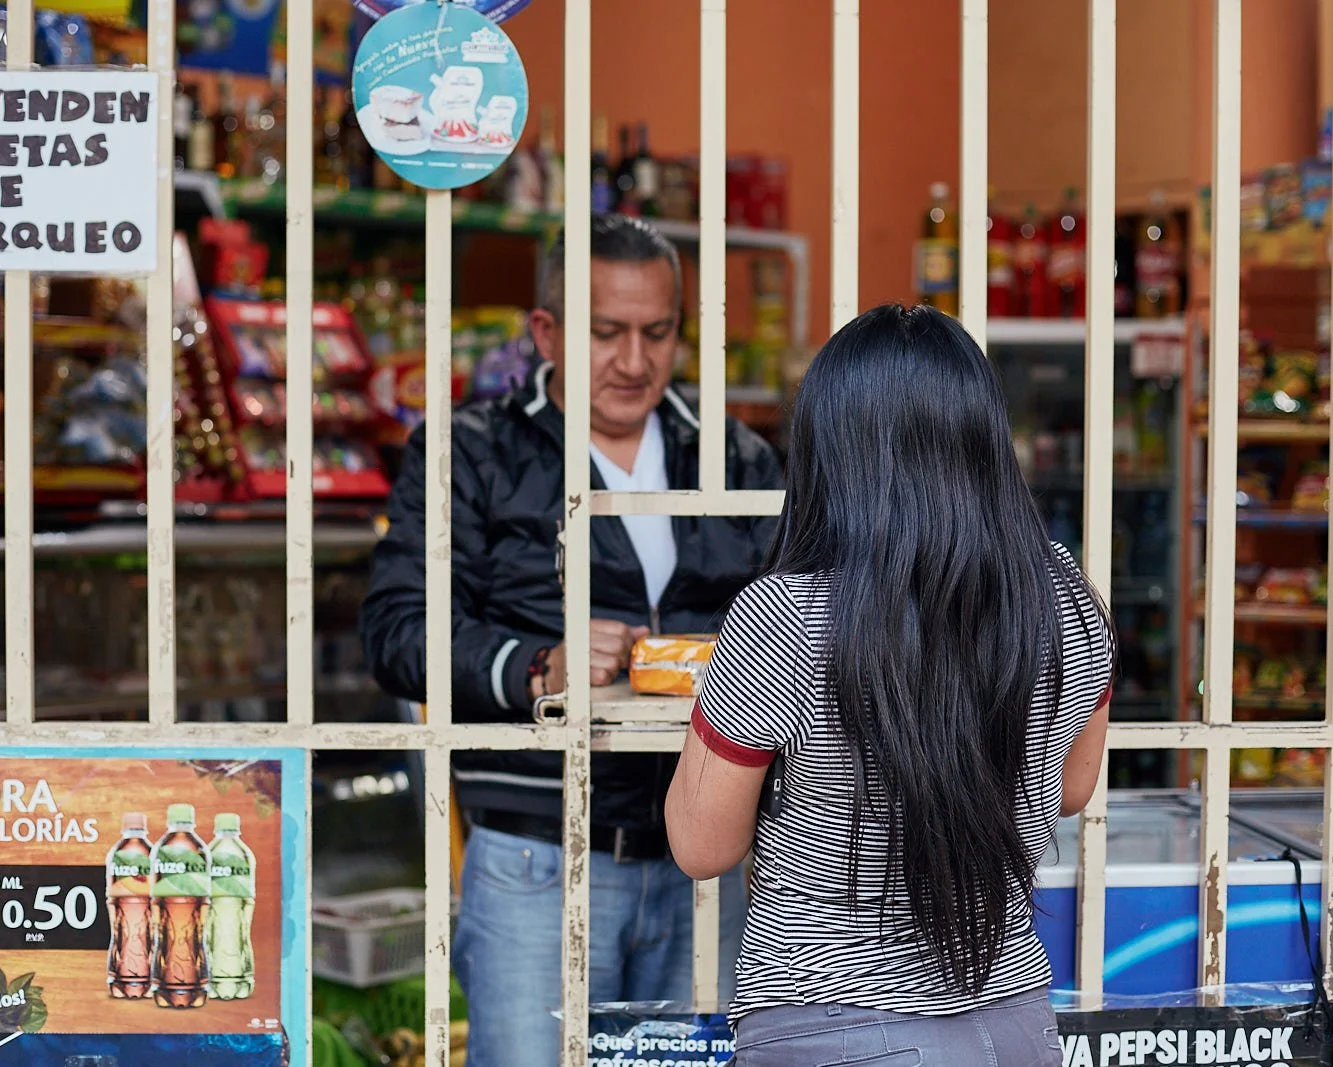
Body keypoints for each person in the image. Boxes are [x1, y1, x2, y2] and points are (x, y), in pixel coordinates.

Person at [361, 214, 782, 1065]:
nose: (633, 360)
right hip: (538, 857)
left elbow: (804, 617)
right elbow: (397, 630)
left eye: (657, 332)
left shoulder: (734, 457)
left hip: (708, 858)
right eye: (606, 332)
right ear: (546, 332)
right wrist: (535, 665)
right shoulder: (471, 452)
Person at [664, 303, 1114, 1066]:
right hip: (1013, 1024)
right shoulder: (1066, 598)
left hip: (828, 1024)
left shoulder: (783, 616)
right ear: (985, 441)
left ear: (827, 448)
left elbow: (701, 844)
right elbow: (1071, 789)